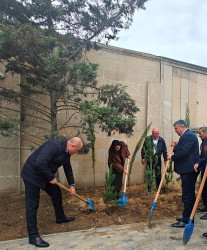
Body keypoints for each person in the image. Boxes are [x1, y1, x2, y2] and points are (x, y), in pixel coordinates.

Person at [21, 137, 83, 248]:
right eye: (78, 150)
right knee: (32, 205)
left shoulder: (66, 153)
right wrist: (51, 177)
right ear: (72, 146)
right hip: (32, 175)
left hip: (45, 175)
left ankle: (60, 217)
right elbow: (39, 163)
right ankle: (33, 236)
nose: (77, 152)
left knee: (56, 193)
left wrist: (72, 185)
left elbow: (68, 168)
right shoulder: (53, 146)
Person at [168, 120, 199, 228]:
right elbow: (183, 149)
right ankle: (187, 217)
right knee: (187, 195)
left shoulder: (189, 135)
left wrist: (172, 157)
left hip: (189, 170)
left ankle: (187, 220)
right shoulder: (186, 136)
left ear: (182, 127)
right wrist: (176, 147)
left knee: (188, 196)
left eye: (176, 128)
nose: (175, 131)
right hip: (186, 170)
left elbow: (184, 152)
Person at [194, 127, 207, 238]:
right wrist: (199, 162)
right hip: (204, 169)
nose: (199, 135)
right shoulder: (203, 142)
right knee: (204, 190)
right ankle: (206, 206)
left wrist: (200, 162)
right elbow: (203, 156)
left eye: (200, 133)